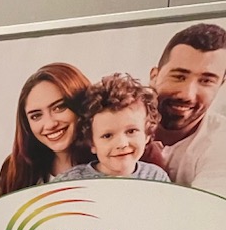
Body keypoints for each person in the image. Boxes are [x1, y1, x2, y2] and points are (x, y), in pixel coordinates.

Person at [147, 23, 226, 195]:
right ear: (154, 76)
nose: (187, 94)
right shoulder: (117, 122)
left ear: (221, 84)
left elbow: (204, 213)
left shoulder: (221, 140)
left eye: (206, 81)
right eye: (179, 77)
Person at [0, 62, 94, 195]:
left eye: (59, 107)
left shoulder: (111, 161)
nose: (49, 124)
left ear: (82, 104)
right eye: (36, 116)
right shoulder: (15, 170)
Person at [55, 73, 170, 181]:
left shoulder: (156, 178)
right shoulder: (70, 181)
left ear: (147, 135)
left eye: (131, 131)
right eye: (107, 135)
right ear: (92, 143)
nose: (121, 144)